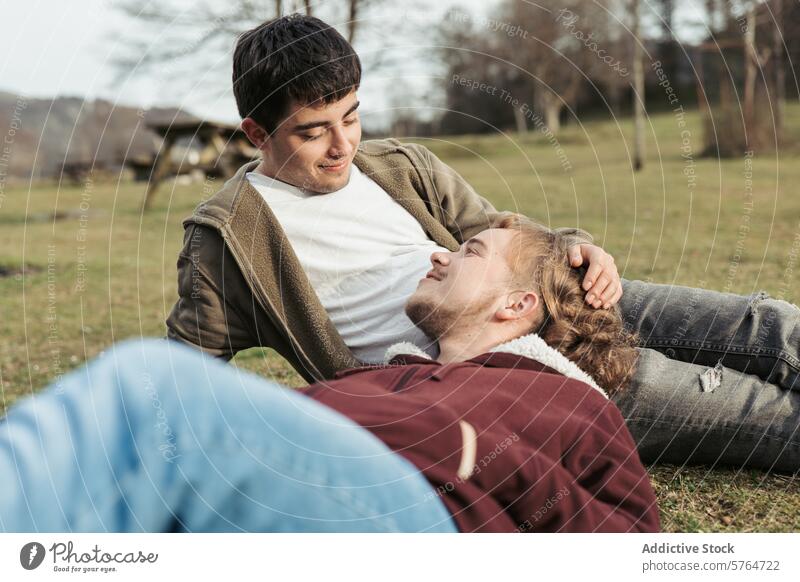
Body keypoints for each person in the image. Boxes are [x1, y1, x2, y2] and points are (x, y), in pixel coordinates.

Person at [166, 14, 800, 472]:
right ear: (256, 132)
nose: (343, 146)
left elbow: (504, 231)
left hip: (554, 291)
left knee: (765, 325)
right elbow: (183, 379)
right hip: (506, 376)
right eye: (313, 132)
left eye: (352, 116)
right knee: (761, 416)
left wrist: (577, 246)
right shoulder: (226, 242)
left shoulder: (402, 166)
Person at [1, 218, 659, 533]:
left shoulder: (565, 399)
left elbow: (633, 538)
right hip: (310, 509)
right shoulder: (367, 383)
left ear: (518, 305)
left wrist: (476, 454)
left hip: (423, 525)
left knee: (152, 387)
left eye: (468, 251)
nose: (439, 252)